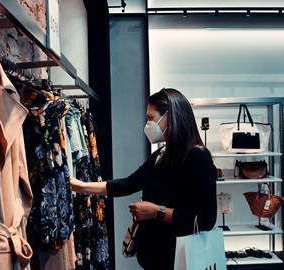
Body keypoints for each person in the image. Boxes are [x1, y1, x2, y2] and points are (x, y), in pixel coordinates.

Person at [71, 88, 217, 270]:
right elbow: (127, 184)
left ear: (170, 117)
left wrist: (156, 211)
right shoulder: (162, 154)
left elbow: (206, 220)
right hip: (155, 259)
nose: (147, 124)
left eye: (150, 118)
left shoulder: (197, 157)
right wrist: (81, 186)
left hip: (181, 261)